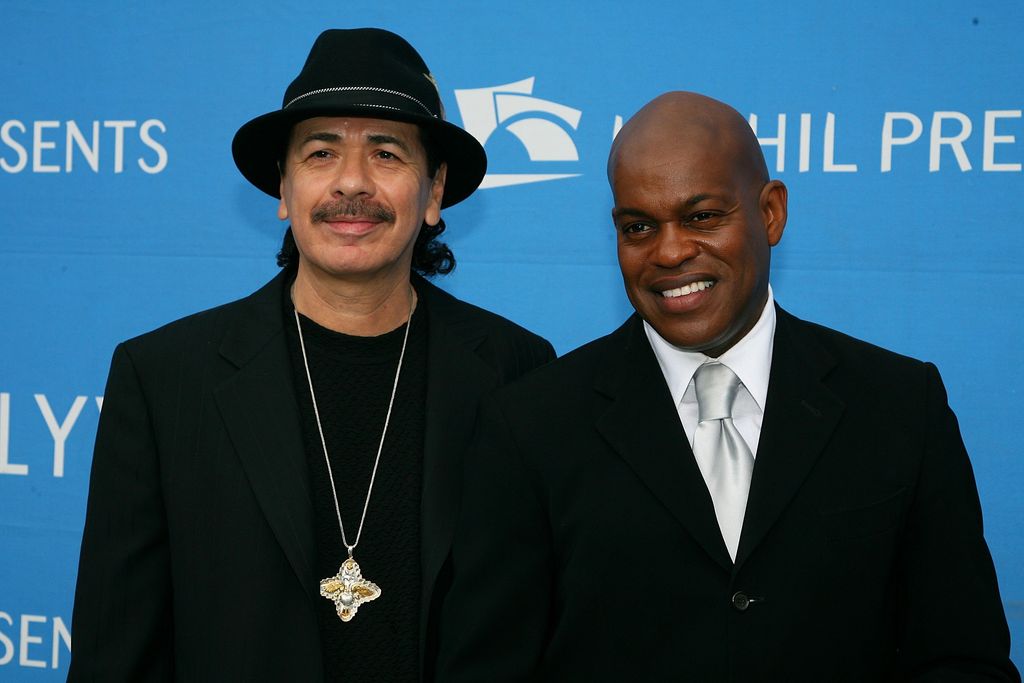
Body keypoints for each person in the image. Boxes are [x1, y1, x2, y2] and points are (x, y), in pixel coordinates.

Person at [436, 92, 1019, 681]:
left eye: (701, 217)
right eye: (638, 226)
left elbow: (963, 660)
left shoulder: (899, 405)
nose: (669, 251)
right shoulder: (532, 424)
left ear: (770, 213)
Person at [68, 28, 554, 682]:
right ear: (283, 189)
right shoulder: (163, 381)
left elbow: (539, 633)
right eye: (321, 152)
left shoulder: (517, 371)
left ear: (434, 192)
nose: (351, 182)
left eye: (386, 153)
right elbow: (116, 657)